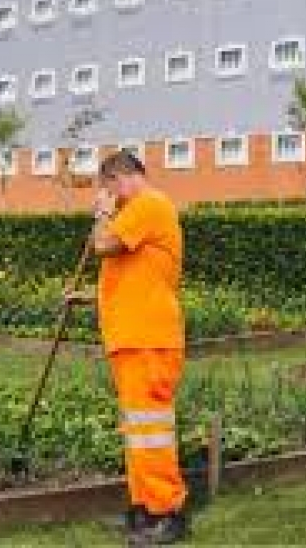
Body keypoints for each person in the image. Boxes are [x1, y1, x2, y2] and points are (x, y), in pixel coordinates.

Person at [67, 150, 188, 545]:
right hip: (132, 338)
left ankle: (167, 513)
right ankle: (143, 510)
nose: (108, 196)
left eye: (108, 188)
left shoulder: (149, 204)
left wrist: (102, 212)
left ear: (120, 178)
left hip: (149, 339)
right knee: (139, 431)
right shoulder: (136, 214)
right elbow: (130, 276)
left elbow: (104, 245)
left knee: (152, 430)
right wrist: (87, 296)